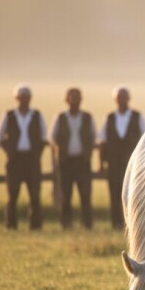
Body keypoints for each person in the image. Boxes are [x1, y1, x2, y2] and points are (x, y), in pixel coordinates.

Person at [0, 84, 47, 230]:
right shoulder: (9, 115)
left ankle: (35, 224)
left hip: (32, 159)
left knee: (35, 195)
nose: (24, 100)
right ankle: (11, 224)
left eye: (26, 97)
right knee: (12, 195)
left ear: (30, 99)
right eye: (22, 97)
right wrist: (9, 151)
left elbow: (44, 136)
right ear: (16, 98)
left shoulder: (37, 115)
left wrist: (37, 152)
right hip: (15, 160)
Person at [99, 86, 145, 230]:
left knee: (134, 194)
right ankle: (116, 224)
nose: (122, 100)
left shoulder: (138, 117)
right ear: (115, 100)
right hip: (113, 164)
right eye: (119, 97)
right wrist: (101, 163)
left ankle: (133, 223)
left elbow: (144, 140)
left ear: (129, 99)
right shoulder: (109, 118)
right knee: (114, 194)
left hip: (132, 164)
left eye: (124, 97)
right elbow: (102, 141)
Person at [52, 87, 96, 230]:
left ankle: (87, 224)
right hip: (66, 162)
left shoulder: (88, 117)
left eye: (77, 97)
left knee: (85, 194)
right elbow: (53, 137)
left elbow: (94, 135)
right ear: (67, 100)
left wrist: (88, 153)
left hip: (82, 161)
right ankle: (66, 224)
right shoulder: (60, 118)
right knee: (65, 195)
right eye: (72, 97)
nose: (74, 101)